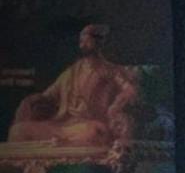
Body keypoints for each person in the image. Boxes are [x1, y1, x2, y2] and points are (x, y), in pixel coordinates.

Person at [8, 24, 141, 148]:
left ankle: (62, 144)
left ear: (99, 42)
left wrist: (116, 106)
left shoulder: (110, 70)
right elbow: (48, 96)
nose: (82, 44)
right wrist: (31, 102)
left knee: (94, 133)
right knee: (18, 131)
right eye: (81, 40)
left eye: (86, 40)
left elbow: (130, 90)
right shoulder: (72, 71)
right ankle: (60, 144)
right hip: (62, 126)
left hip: (87, 126)